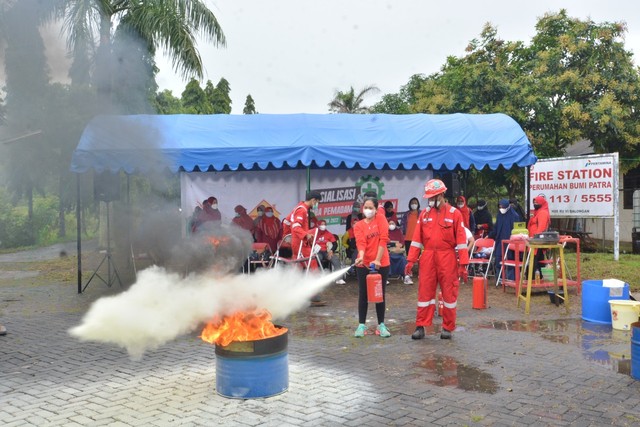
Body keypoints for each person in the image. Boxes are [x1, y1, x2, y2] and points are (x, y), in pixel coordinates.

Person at [405, 179, 469, 340]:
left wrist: (463, 264)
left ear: (442, 195)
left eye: (433, 197)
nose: (431, 200)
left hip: (447, 257)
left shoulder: (455, 214)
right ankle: (420, 326)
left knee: (449, 292)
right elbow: (416, 239)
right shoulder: (424, 214)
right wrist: (411, 260)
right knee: (424, 292)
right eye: (429, 197)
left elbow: (461, 242)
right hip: (428, 257)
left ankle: (447, 327)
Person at [353, 195, 391, 338]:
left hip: (382, 262)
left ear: (376, 209)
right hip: (363, 264)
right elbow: (361, 243)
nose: (368, 210)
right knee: (363, 294)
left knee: (379, 294)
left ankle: (381, 325)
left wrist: (377, 259)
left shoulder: (381, 219)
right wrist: (361, 256)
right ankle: (361, 325)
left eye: (371, 208)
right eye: (366, 207)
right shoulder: (358, 225)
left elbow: (383, 239)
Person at [488, 199, 521, 283]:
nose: (501, 209)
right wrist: (489, 235)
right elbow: (496, 228)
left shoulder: (515, 216)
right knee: (498, 259)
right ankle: (499, 279)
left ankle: (511, 279)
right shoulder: (499, 215)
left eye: (502, 207)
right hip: (500, 241)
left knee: (510, 260)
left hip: (510, 242)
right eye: (499, 207)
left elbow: (517, 231)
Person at [315, 220, 346, 284]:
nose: (323, 226)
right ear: (318, 225)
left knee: (335, 259)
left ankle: (339, 279)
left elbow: (335, 244)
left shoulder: (328, 233)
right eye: (321, 224)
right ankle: (319, 277)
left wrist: (331, 250)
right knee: (318, 258)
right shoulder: (314, 233)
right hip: (317, 252)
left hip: (326, 252)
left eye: (324, 224)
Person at [527, 195, 551, 277]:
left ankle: (534, 280)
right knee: (537, 261)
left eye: (537, 202)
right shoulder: (537, 212)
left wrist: (535, 239)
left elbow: (541, 228)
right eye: (534, 202)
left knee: (535, 261)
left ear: (541, 203)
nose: (535, 204)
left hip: (537, 242)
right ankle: (536, 279)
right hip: (534, 241)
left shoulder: (543, 213)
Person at [388, 220, 413, 284]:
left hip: (398, 251)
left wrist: (400, 245)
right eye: (390, 223)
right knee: (386, 259)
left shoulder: (398, 232)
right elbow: (385, 242)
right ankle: (386, 276)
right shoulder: (385, 232)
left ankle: (406, 276)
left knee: (403, 259)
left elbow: (402, 241)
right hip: (389, 252)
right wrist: (393, 244)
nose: (391, 225)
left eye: (392, 223)